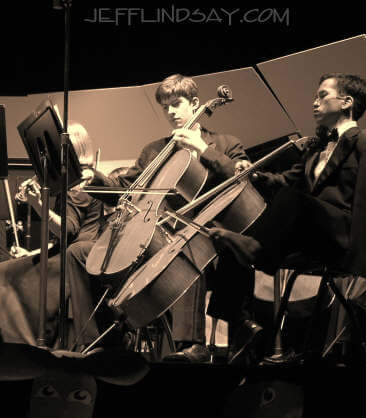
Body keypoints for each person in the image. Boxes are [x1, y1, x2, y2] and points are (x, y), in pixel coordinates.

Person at [207, 73, 366, 361]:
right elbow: (284, 182)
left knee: (290, 202)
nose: (314, 103)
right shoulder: (316, 149)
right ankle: (239, 322)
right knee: (232, 240)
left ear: (347, 102)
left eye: (322, 95)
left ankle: (256, 248)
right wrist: (253, 173)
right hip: (309, 236)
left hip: (340, 238)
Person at [81, 74, 256, 361]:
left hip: (214, 239)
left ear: (196, 104)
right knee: (95, 255)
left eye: (177, 104)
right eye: (166, 107)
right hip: (158, 237)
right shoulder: (154, 150)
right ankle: (113, 338)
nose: (171, 112)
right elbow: (126, 190)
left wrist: (203, 150)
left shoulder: (224, 143)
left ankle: (194, 345)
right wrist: (94, 178)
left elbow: (242, 181)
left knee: (188, 249)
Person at [0, 121, 105, 347]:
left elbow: (68, 231)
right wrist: (32, 253)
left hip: (74, 267)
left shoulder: (80, 183)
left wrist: (39, 205)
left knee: (5, 275)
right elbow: (61, 241)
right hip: (68, 256)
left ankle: (22, 345)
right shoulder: (79, 179)